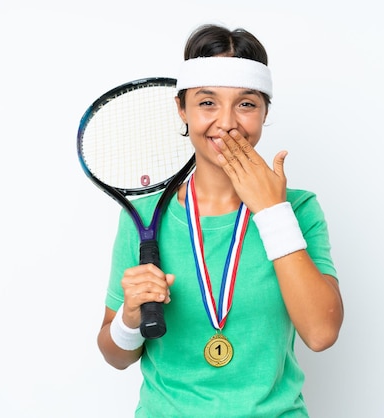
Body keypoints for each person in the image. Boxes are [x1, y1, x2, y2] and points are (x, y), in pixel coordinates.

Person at [97, 23, 344, 417]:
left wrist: (271, 211)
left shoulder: (298, 211)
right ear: (182, 109)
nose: (227, 122)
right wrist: (128, 319)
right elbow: (116, 357)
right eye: (207, 103)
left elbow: (321, 333)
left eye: (246, 104)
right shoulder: (143, 217)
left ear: (265, 112)